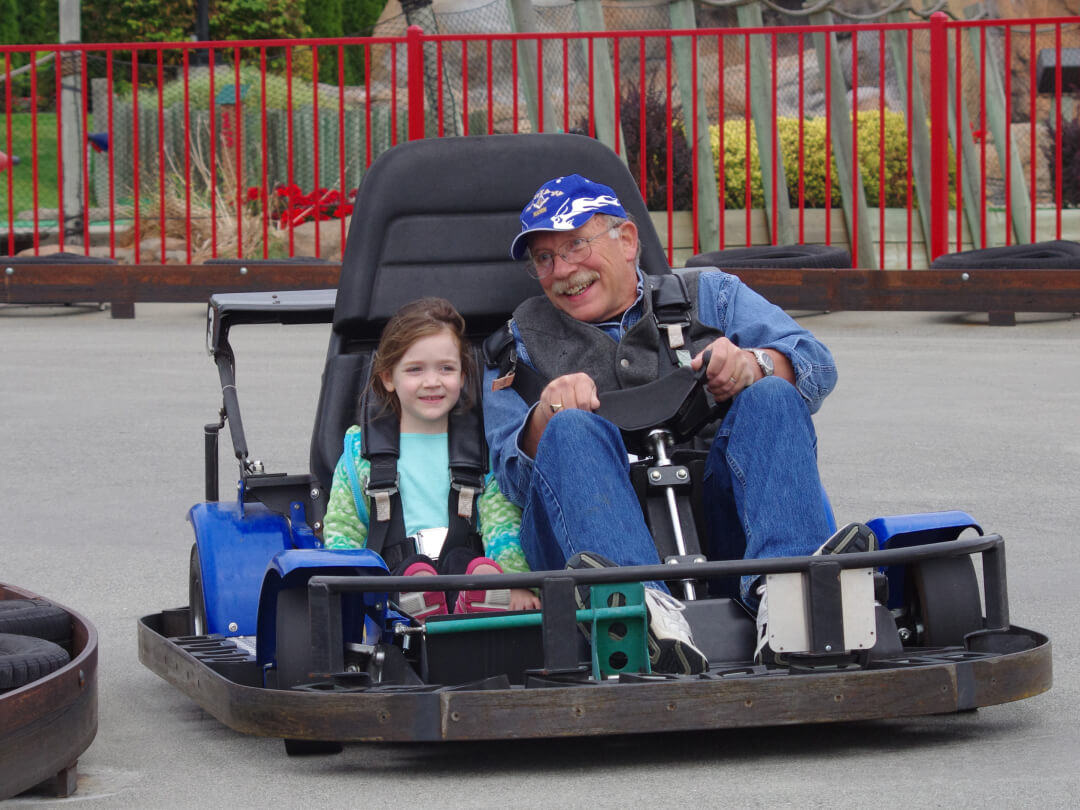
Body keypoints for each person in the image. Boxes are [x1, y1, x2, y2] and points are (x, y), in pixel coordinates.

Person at [483, 174, 871, 674]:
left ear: (626, 240)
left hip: (725, 527)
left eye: (576, 244)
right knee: (570, 430)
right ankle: (639, 618)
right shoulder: (517, 340)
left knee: (773, 392)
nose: (563, 270)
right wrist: (546, 415)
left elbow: (817, 364)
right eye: (544, 258)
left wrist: (755, 364)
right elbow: (510, 476)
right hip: (580, 537)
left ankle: (794, 599)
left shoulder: (710, 296)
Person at [323, 297, 540, 619]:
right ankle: (421, 598)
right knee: (415, 572)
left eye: (446, 369)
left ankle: (484, 592)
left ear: (464, 375)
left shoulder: (481, 449)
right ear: (387, 377)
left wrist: (517, 582)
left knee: (474, 567)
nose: (432, 382)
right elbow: (343, 529)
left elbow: (501, 525)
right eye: (415, 370)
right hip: (391, 582)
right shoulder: (361, 453)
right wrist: (346, 591)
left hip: (463, 573)